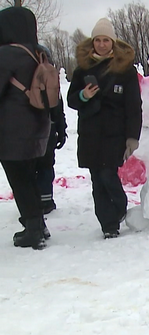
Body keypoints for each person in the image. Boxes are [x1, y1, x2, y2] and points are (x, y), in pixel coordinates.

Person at [67, 17, 142, 238]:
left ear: (113, 42)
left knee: (108, 175)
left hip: (114, 133)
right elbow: (72, 100)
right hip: (90, 133)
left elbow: (133, 105)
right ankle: (108, 225)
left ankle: (119, 207)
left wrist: (132, 137)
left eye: (105, 40)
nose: (101, 44)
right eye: (97, 40)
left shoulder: (125, 69)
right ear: (92, 42)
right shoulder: (83, 69)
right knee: (96, 180)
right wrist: (84, 95)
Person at [0, 6, 52, 249]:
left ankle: (33, 230)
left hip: (12, 131)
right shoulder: (39, 53)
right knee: (29, 177)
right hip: (37, 125)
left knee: (19, 180)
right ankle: (38, 225)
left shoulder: (5, 55)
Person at [35, 45, 68, 215]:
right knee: (46, 165)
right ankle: (46, 200)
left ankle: (32, 200)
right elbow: (57, 107)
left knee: (30, 166)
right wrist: (61, 129)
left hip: (26, 131)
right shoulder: (50, 79)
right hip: (47, 128)